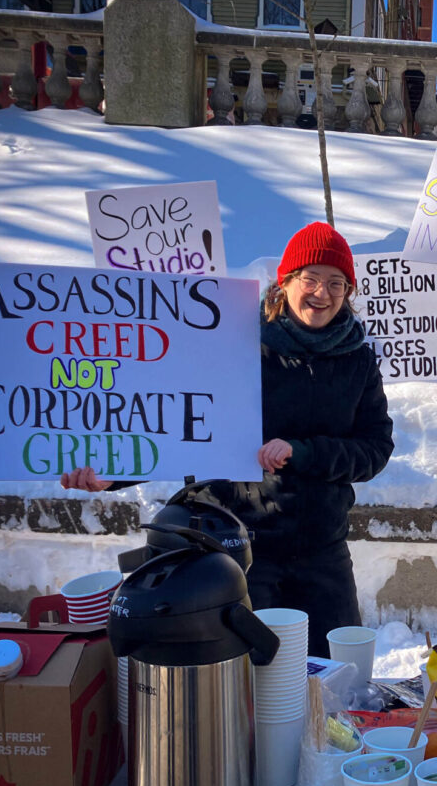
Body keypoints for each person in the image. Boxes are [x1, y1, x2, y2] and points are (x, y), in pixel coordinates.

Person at [63, 221, 394, 655]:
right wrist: (114, 474)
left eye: (336, 283)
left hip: (321, 546)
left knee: (332, 672)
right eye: (310, 278)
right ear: (286, 281)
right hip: (237, 544)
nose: (322, 293)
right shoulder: (232, 343)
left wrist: (305, 452)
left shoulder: (358, 359)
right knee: (250, 678)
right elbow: (178, 423)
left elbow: (374, 448)